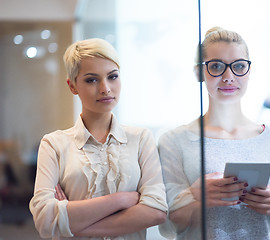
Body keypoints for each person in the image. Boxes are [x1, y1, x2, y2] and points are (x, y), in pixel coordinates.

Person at [158, 27, 270, 239]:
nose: (229, 77)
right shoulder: (174, 141)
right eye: (217, 66)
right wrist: (193, 196)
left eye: (239, 66)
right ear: (199, 72)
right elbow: (168, 226)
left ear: (249, 71)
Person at [29, 38, 167, 240]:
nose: (105, 88)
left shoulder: (141, 139)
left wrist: (70, 222)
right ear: (72, 85)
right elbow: (44, 220)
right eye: (92, 79)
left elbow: (156, 211)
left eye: (112, 77)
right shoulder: (53, 144)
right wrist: (121, 200)